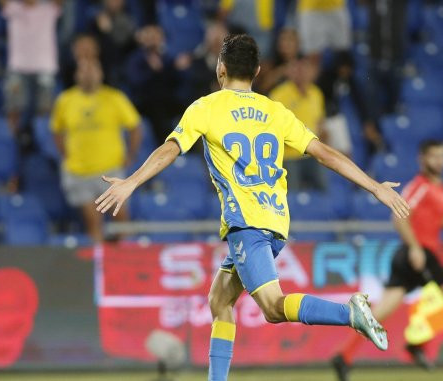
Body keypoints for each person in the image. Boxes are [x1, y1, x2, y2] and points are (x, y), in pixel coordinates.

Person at [94, 34, 411, 381]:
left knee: (274, 308)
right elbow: (326, 154)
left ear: (221, 69)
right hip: (275, 222)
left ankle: (349, 313)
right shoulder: (276, 110)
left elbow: (170, 149)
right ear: (258, 71)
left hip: (247, 224)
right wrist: (374, 186)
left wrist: (131, 182)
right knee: (220, 301)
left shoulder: (206, 107)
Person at [331, 140, 443, 380]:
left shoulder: (439, 188)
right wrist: (414, 248)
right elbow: (398, 217)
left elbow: (440, 220)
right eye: (434, 156)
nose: (439, 161)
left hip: (414, 254)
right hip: (419, 253)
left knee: (380, 313)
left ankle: (344, 356)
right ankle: (417, 342)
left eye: (442, 156)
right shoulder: (420, 186)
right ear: (422, 159)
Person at [51, 59, 142, 243]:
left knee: (121, 219)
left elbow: (135, 127)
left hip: (110, 170)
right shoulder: (65, 100)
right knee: (93, 222)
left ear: (101, 74)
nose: (89, 74)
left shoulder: (115, 98)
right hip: (79, 171)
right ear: (76, 75)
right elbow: (57, 130)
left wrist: (131, 155)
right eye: (84, 70)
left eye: (93, 69)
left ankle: (122, 258)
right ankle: (101, 261)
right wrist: (65, 154)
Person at [1, 0, 63, 133]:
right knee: (13, 106)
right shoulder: (13, 8)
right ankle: (12, 139)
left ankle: (41, 138)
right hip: (18, 66)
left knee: (45, 107)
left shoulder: (49, 9)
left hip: (44, 66)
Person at [269, 56, 327, 191]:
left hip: (313, 153)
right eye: (296, 68)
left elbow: (319, 122)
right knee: (292, 195)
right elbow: (272, 128)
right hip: (290, 156)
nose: (301, 72)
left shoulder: (316, 93)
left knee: (325, 191)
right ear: (289, 71)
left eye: (304, 68)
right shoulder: (278, 95)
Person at [125, 25, 182, 142]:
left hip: (167, 100)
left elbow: (175, 82)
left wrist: (178, 69)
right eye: (150, 36)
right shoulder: (136, 58)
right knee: (157, 110)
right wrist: (152, 71)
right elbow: (136, 82)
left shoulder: (167, 58)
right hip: (144, 102)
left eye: (156, 36)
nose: (153, 40)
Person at [88, 0, 136, 87]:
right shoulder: (95, 18)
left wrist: (108, 31)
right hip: (100, 62)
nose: (114, 2)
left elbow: (120, 47)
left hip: (118, 67)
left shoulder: (127, 22)